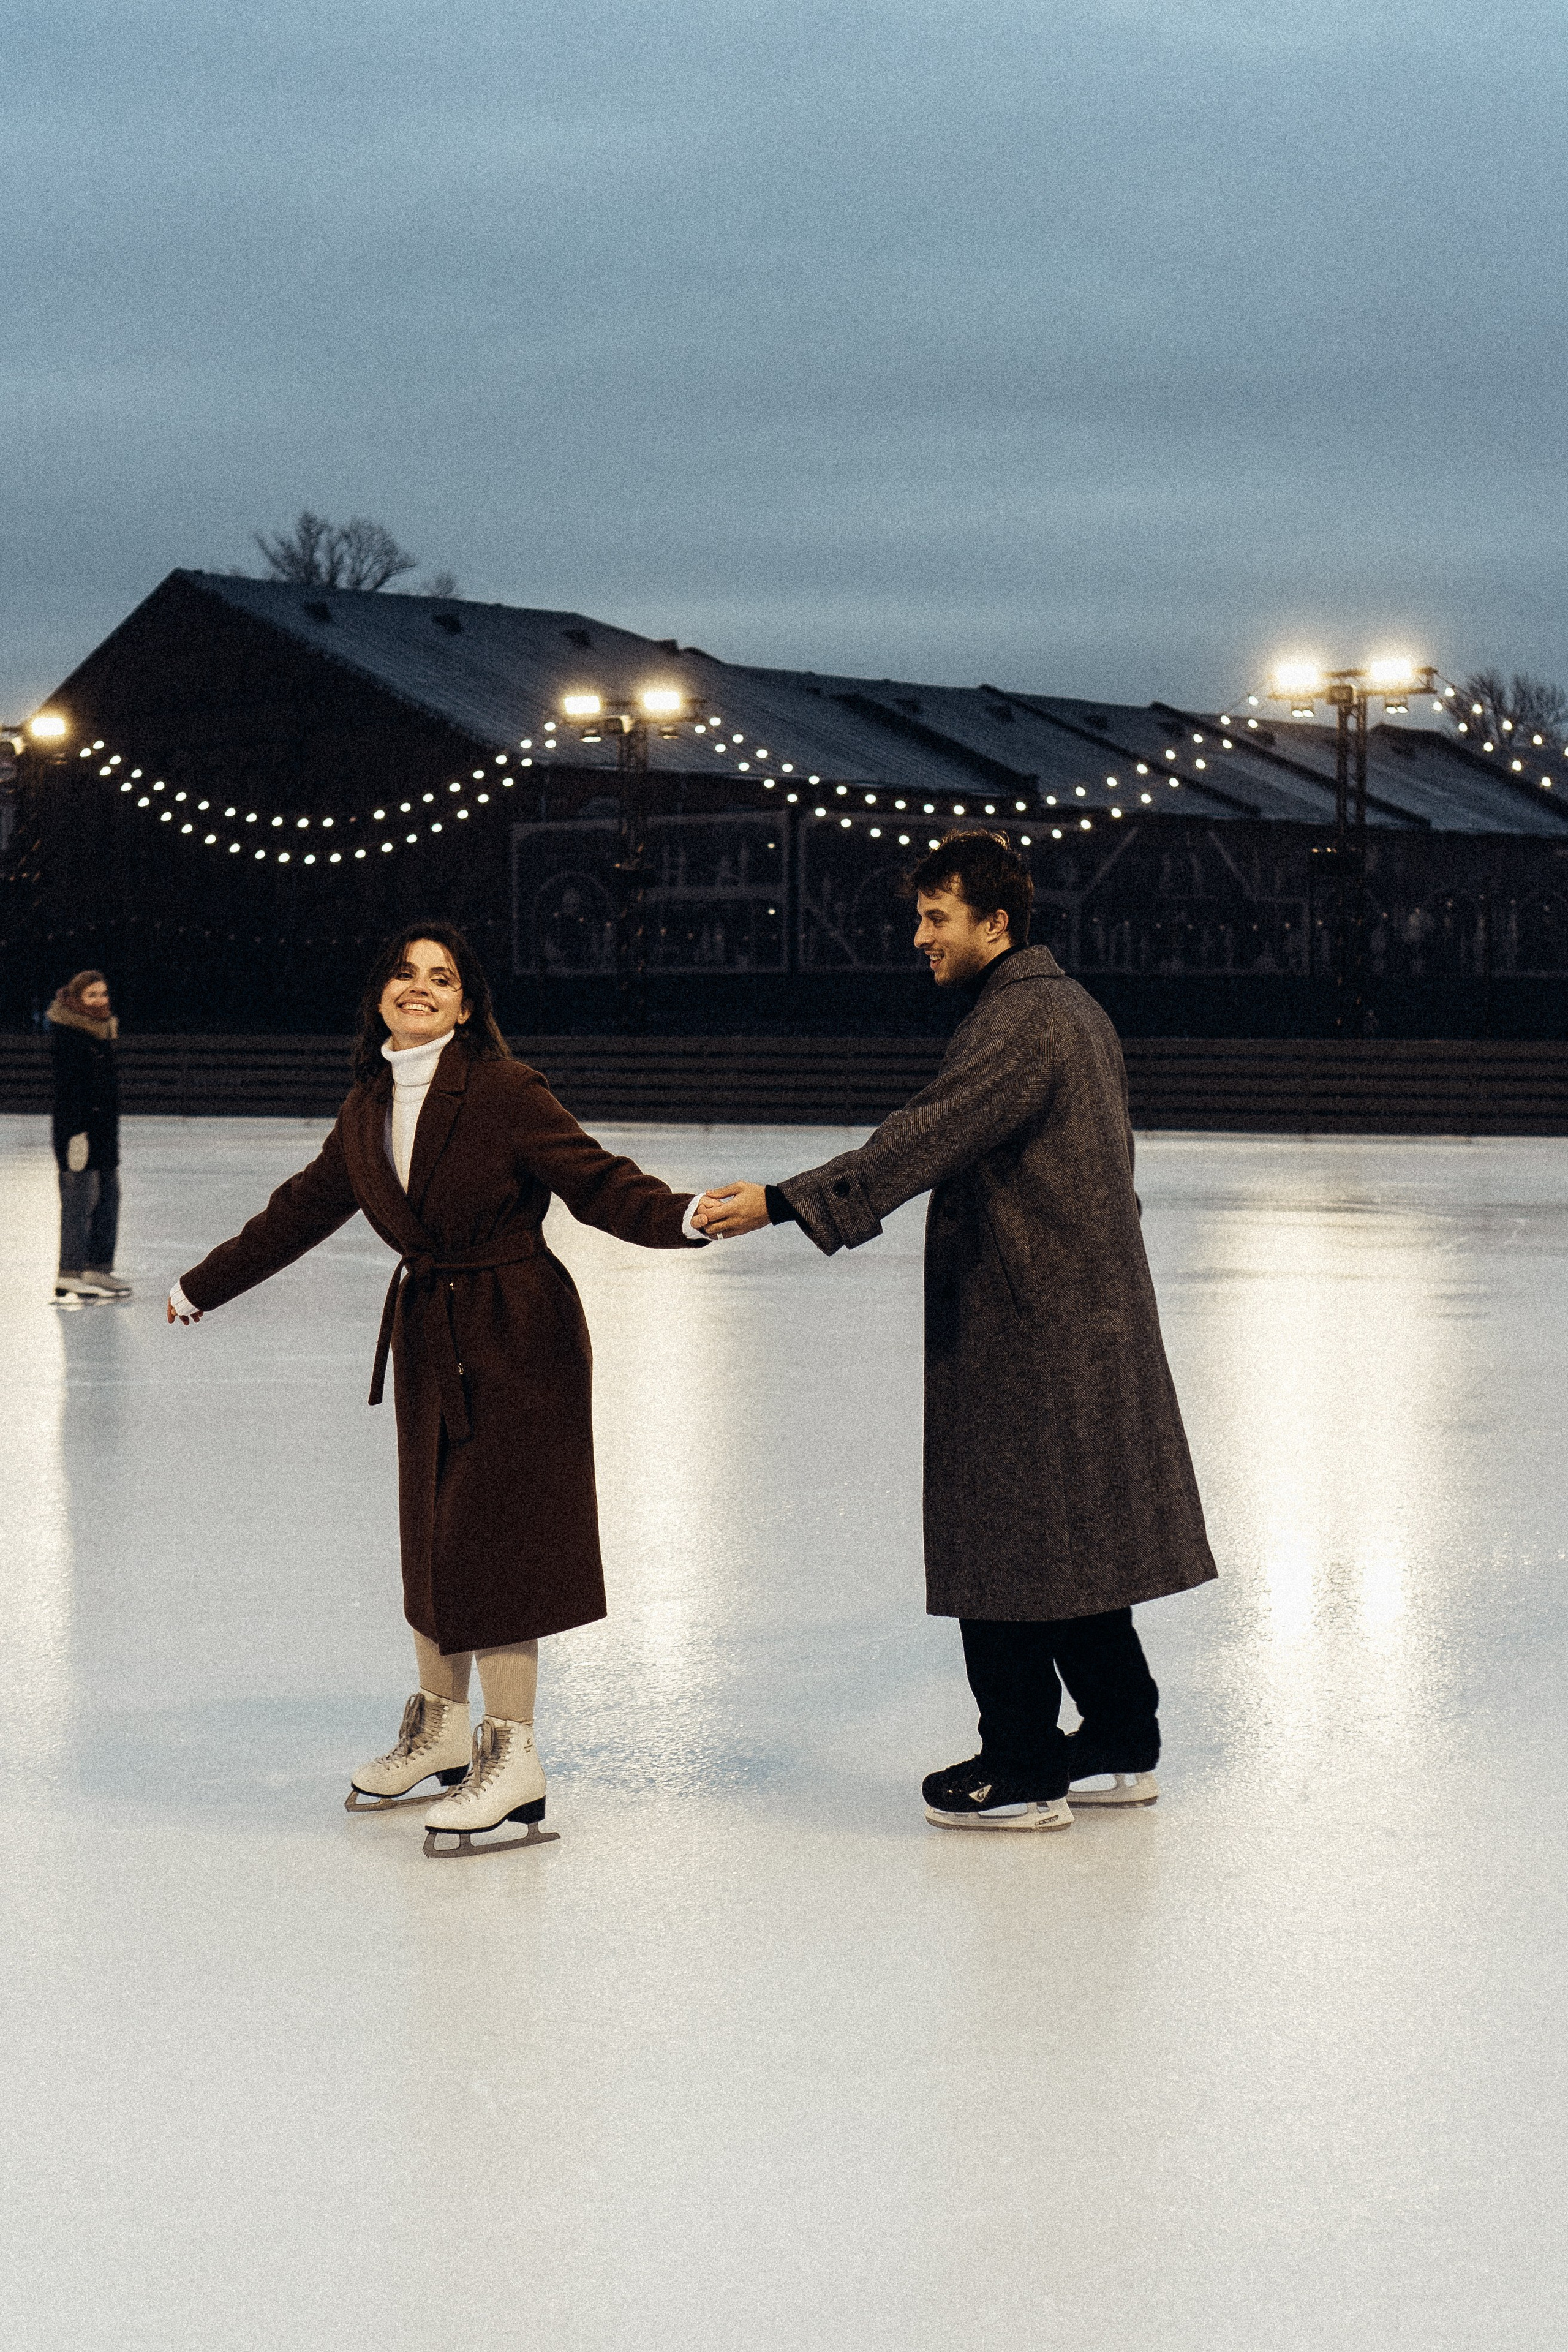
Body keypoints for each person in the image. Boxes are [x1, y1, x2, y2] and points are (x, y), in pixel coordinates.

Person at [696, 831, 1216, 1832]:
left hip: (1029, 1323)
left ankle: (1020, 1762)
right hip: (1085, 1315)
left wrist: (783, 1201)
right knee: (1075, 1542)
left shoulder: (1019, 1021)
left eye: (937, 918)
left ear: (997, 922)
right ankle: (1119, 1732)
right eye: (920, 917)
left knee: (1006, 1535)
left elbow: (926, 1137)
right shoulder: (1075, 1009)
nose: (919, 938)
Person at [167, 922, 714, 1856]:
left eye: (442, 978)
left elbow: (599, 1183)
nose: (420, 988)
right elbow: (298, 1211)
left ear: (467, 1005)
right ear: (382, 995)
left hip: (517, 1330)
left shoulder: (504, 1091)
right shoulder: (367, 1107)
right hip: (431, 1332)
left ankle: (516, 1759)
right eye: (405, 974)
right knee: (432, 1531)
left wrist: (689, 1217)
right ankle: (444, 1729)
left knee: (497, 1542)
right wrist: (201, 1285)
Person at [48, 968, 132, 1303]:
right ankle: (69, 1275)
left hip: (104, 1131)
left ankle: (97, 1268)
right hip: (78, 1130)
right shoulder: (69, 1033)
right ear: (76, 999)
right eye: (92, 995)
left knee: (109, 1197)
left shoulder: (103, 1031)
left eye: (103, 994)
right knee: (79, 1202)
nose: (101, 1000)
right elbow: (69, 1089)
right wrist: (76, 1132)